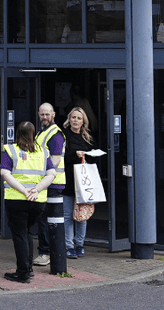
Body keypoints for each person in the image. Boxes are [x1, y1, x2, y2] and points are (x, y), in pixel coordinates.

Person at [1, 120, 56, 283]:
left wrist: (24, 191)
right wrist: (36, 190)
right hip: (37, 201)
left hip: (16, 200)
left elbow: (5, 173)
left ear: (18, 133)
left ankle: (23, 272)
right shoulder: (43, 151)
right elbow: (51, 174)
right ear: (33, 134)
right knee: (27, 232)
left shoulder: (11, 150)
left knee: (19, 234)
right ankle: (29, 269)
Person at [34, 102, 65, 267]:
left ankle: (46, 253)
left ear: (53, 115)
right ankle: (49, 252)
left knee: (45, 219)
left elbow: (55, 159)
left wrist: (43, 180)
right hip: (47, 183)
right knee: (44, 219)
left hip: (52, 183)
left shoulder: (55, 134)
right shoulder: (42, 132)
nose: (44, 117)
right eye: (42, 114)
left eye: (47, 114)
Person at [62, 106, 95, 258]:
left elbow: (93, 157)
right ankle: (69, 246)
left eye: (79, 118)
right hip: (68, 180)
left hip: (83, 181)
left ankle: (80, 244)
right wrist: (75, 155)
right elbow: (61, 157)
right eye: (73, 117)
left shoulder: (87, 137)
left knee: (82, 215)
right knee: (68, 215)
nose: (75, 120)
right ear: (69, 119)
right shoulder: (64, 135)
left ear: (83, 121)